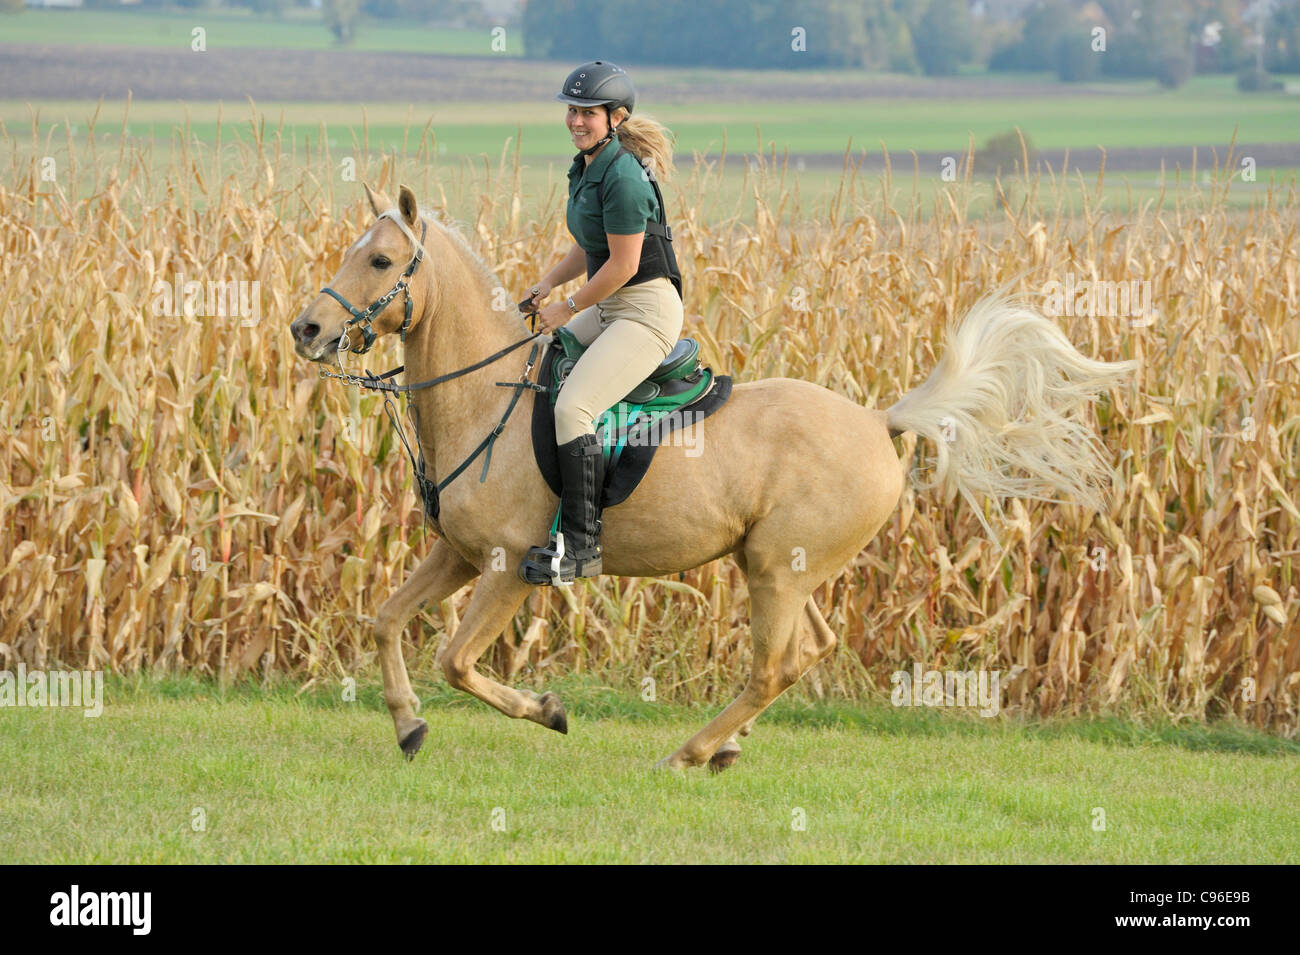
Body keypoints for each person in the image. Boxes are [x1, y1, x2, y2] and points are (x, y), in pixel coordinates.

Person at [517, 60, 684, 586]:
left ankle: (582, 547)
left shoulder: (626, 176)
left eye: (587, 112)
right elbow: (590, 245)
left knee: (574, 406)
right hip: (612, 306)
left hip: (645, 311)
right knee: (538, 358)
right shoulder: (588, 165)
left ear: (616, 117)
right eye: (571, 110)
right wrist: (547, 283)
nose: (575, 120)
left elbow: (624, 264)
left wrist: (567, 308)